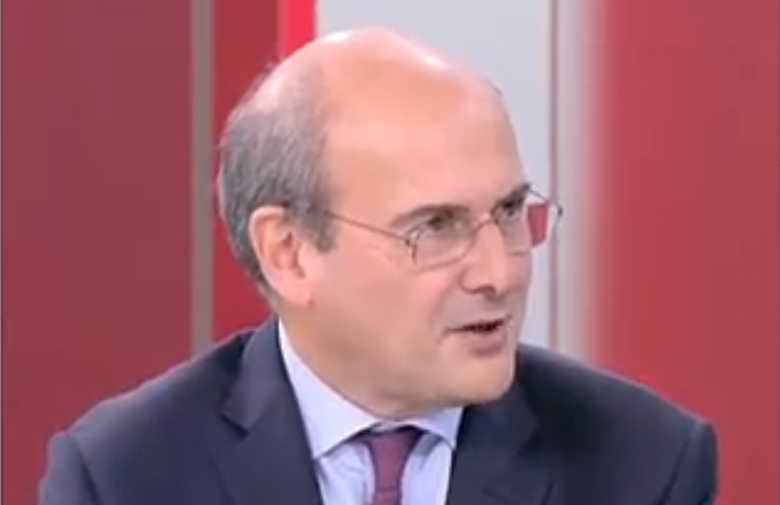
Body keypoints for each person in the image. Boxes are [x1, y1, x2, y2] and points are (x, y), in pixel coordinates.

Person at [39, 27, 718, 505]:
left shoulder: (643, 464)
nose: (500, 272)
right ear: (289, 252)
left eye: (510, 211)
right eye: (435, 227)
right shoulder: (126, 475)